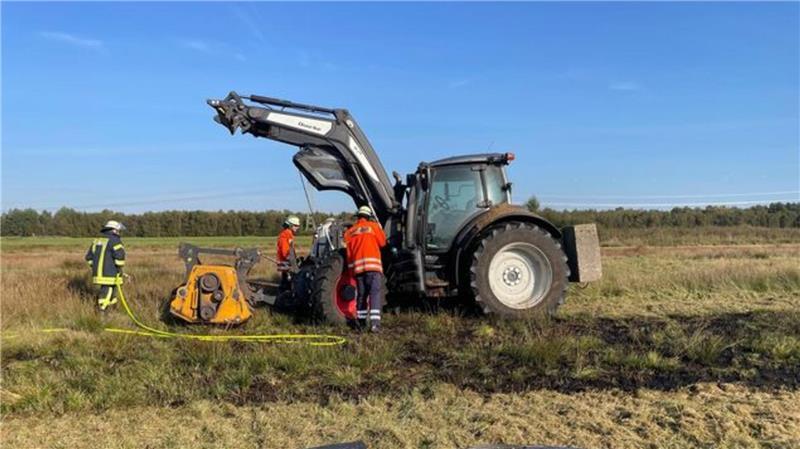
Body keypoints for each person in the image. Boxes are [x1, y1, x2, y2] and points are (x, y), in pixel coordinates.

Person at [343, 205, 387, 332]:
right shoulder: (373, 227)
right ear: (369, 216)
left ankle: (361, 324)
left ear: (358, 216)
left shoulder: (350, 232)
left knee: (361, 295)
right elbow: (383, 242)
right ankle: (374, 325)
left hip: (358, 270)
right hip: (373, 268)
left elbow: (349, 255)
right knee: (374, 294)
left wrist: (352, 272)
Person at [85, 220, 126, 311]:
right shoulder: (115, 241)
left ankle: (112, 309)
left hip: (98, 274)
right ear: (114, 230)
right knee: (107, 290)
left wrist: (95, 267)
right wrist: (119, 268)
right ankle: (102, 312)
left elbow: (88, 257)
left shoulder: (97, 241)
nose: (119, 233)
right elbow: (120, 256)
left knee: (111, 291)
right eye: (118, 230)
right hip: (110, 273)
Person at [277, 215, 301, 291]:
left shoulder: (289, 235)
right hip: (286, 264)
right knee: (286, 284)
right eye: (296, 225)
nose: (297, 227)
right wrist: (292, 261)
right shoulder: (285, 235)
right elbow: (285, 253)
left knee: (287, 283)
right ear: (290, 226)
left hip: (288, 264)